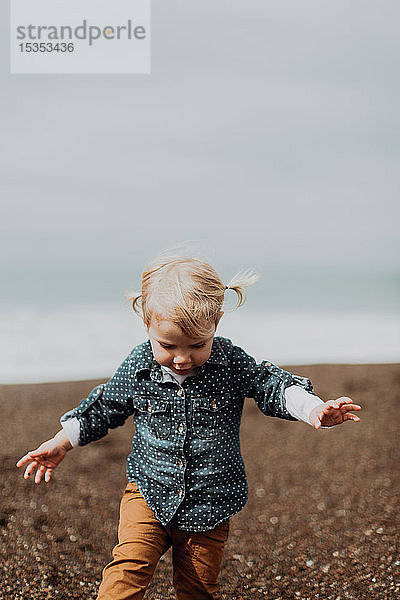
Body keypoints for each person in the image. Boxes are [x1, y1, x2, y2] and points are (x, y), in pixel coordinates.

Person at [16, 254, 361, 600]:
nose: (182, 358)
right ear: (146, 324)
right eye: (168, 346)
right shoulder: (139, 367)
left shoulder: (229, 362)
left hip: (210, 504)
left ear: (216, 323)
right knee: (126, 572)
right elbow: (106, 406)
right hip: (148, 494)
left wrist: (313, 408)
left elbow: (269, 383)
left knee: (197, 589)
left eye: (197, 345)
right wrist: (62, 441)